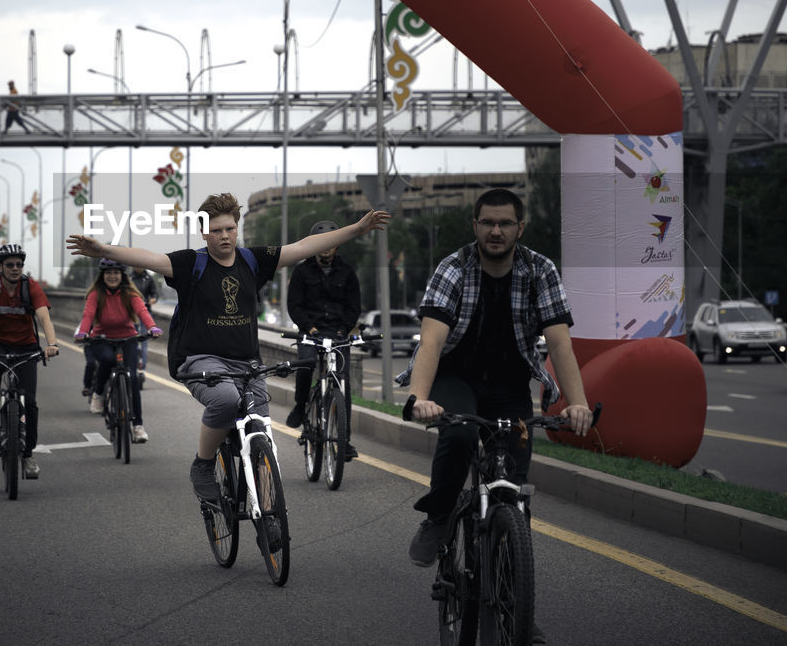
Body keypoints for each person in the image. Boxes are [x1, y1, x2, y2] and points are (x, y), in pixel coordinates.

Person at [67, 192, 389, 502]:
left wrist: (358, 229)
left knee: (261, 435)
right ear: (204, 232)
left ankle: (268, 512)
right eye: (217, 230)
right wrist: (103, 249)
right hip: (201, 361)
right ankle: (204, 464)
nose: (225, 236)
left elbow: (304, 246)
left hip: (248, 364)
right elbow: (149, 258)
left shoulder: (253, 261)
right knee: (225, 399)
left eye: (230, 229)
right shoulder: (191, 263)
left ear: (238, 229)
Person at [402, 188, 592, 645]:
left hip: (509, 385)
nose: (495, 231)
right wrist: (419, 398)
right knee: (462, 434)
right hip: (456, 377)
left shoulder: (539, 270)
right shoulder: (454, 267)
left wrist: (577, 401)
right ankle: (439, 515)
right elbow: (430, 341)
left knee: (514, 492)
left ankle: (515, 603)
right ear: (475, 225)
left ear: (519, 229)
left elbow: (560, 343)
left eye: (505, 223)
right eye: (487, 222)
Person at [0, 243, 59, 480]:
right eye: (10, 265)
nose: (15, 269)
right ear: (0, 267)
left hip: (25, 345)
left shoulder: (31, 287)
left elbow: (44, 317)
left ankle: (28, 454)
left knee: (31, 403)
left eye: (19, 265)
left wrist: (52, 344)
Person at [284, 218, 362, 460]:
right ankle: (300, 405)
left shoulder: (348, 272)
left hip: (338, 334)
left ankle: (344, 440)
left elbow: (353, 307)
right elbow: (294, 306)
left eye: (331, 243)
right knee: (306, 366)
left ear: (337, 245)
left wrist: (343, 330)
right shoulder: (301, 271)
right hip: (311, 332)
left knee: (342, 384)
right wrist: (310, 328)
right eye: (321, 243)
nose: (326, 248)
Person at [73, 259, 162, 442]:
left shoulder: (129, 292)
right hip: (102, 338)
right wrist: (83, 332)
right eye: (108, 273)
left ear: (122, 275)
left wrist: (152, 327)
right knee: (106, 359)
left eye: (116, 272)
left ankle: (137, 426)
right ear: (102, 276)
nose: (112, 276)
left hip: (127, 337)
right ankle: (98, 394)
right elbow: (88, 314)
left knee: (134, 378)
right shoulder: (96, 294)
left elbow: (142, 311)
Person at [130, 266, 160, 375]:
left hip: (145, 312)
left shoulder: (148, 278)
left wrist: (153, 299)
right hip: (131, 313)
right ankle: (132, 363)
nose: (139, 267)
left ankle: (142, 367)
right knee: (131, 340)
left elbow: (155, 293)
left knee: (144, 342)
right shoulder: (128, 278)